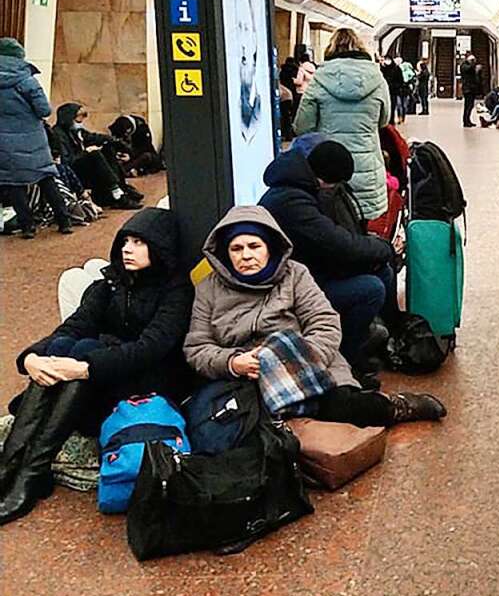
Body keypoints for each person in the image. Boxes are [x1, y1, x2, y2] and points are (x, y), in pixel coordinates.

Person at [0, 208, 194, 524]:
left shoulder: (176, 290)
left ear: (161, 248)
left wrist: (85, 367)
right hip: (105, 376)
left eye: (139, 242)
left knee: (84, 352)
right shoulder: (110, 282)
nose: (128, 249)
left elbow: (150, 349)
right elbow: (73, 326)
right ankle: (13, 465)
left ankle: (32, 472)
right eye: (125, 241)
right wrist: (31, 358)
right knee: (67, 346)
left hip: (151, 385)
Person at [183, 206, 446, 429]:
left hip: (305, 362)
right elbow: (197, 347)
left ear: (269, 247)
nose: (246, 255)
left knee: (347, 409)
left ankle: (397, 408)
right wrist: (232, 362)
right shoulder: (209, 288)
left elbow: (325, 323)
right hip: (245, 376)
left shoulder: (294, 275)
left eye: (254, 245)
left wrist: (297, 360)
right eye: (236, 248)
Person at [258, 141, 399, 385]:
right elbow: (338, 244)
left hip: (306, 270)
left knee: (382, 271)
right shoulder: (292, 202)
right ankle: (347, 357)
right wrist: (385, 248)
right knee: (370, 290)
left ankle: (385, 337)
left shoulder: (298, 187)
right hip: (285, 289)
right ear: (325, 180)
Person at [293, 28, 391, 221]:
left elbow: (303, 126)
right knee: (361, 229)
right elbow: (384, 120)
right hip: (367, 168)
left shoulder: (319, 79)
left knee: (331, 227)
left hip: (328, 170)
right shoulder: (377, 79)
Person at [0, 37, 73, 238]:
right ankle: (64, 221)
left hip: (4, 143)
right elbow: (44, 110)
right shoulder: (27, 81)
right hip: (33, 141)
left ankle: (27, 227)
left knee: (14, 184)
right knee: (46, 178)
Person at [50, 103, 143, 210]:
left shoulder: (76, 132)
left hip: (85, 166)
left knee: (107, 149)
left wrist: (116, 143)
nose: (81, 120)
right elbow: (67, 161)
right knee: (94, 155)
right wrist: (86, 152)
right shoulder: (59, 134)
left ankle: (121, 187)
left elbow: (94, 137)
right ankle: (117, 194)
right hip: (74, 171)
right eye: (79, 116)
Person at [380, 57, 404, 125]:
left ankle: (391, 121)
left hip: (393, 92)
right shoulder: (383, 69)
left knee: (392, 107)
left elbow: (400, 81)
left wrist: (395, 86)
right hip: (384, 91)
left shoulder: (396, 69)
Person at [459, 54, 479, 127]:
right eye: (472, 60)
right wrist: (474, 65)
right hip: (467, 89)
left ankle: (468, 120)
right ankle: (465, 121)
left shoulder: (470, 66)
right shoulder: (464, 66)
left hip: (472, 88)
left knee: (470, 105)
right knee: (467, 106)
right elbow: (468, 69)